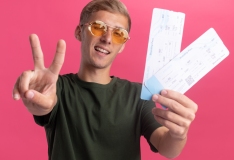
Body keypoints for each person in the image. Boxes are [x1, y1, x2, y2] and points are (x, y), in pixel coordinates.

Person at [12, 0, 198, 159]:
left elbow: (166, 147)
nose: (108, 38)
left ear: (123, 45)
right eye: (98, 27)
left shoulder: (138, 95)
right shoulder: (55, 89)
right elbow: (44, 104)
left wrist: (179, 134)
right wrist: (38, 102)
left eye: (119, 34)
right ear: (79, 32)